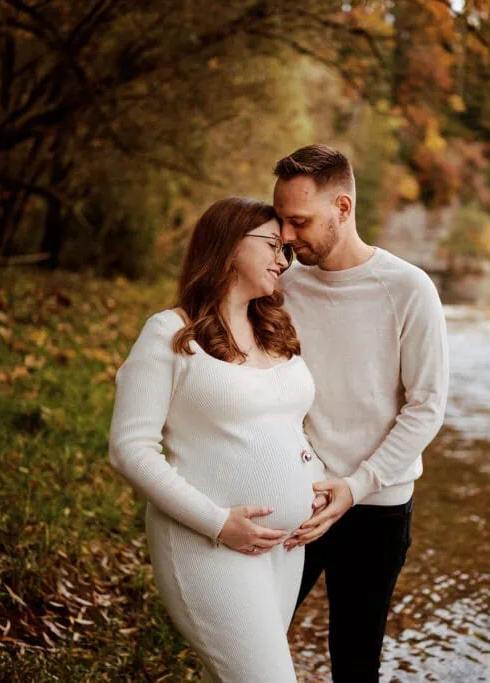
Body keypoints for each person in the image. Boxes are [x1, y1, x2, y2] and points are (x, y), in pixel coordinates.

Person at [108, 197, 327, 682]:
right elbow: (129, 449)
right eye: (272, 245)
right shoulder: (169, 333)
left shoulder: (273, 331)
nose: (282, 259)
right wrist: (217, 523)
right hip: (209, 545)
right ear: (228, 247)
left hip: (285, 549)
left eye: (286, 251)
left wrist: (318, 483)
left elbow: (290, 426)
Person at [274, 144, 450, 681]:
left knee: (354, 661)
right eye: (280, 220)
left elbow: (426, 408)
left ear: (344, 208)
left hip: (376, 507)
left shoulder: (409, 289)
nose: (285, 235)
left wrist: (357, 484)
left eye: (299, 221)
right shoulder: (280, 283)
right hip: (292, 495)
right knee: (253, 639)